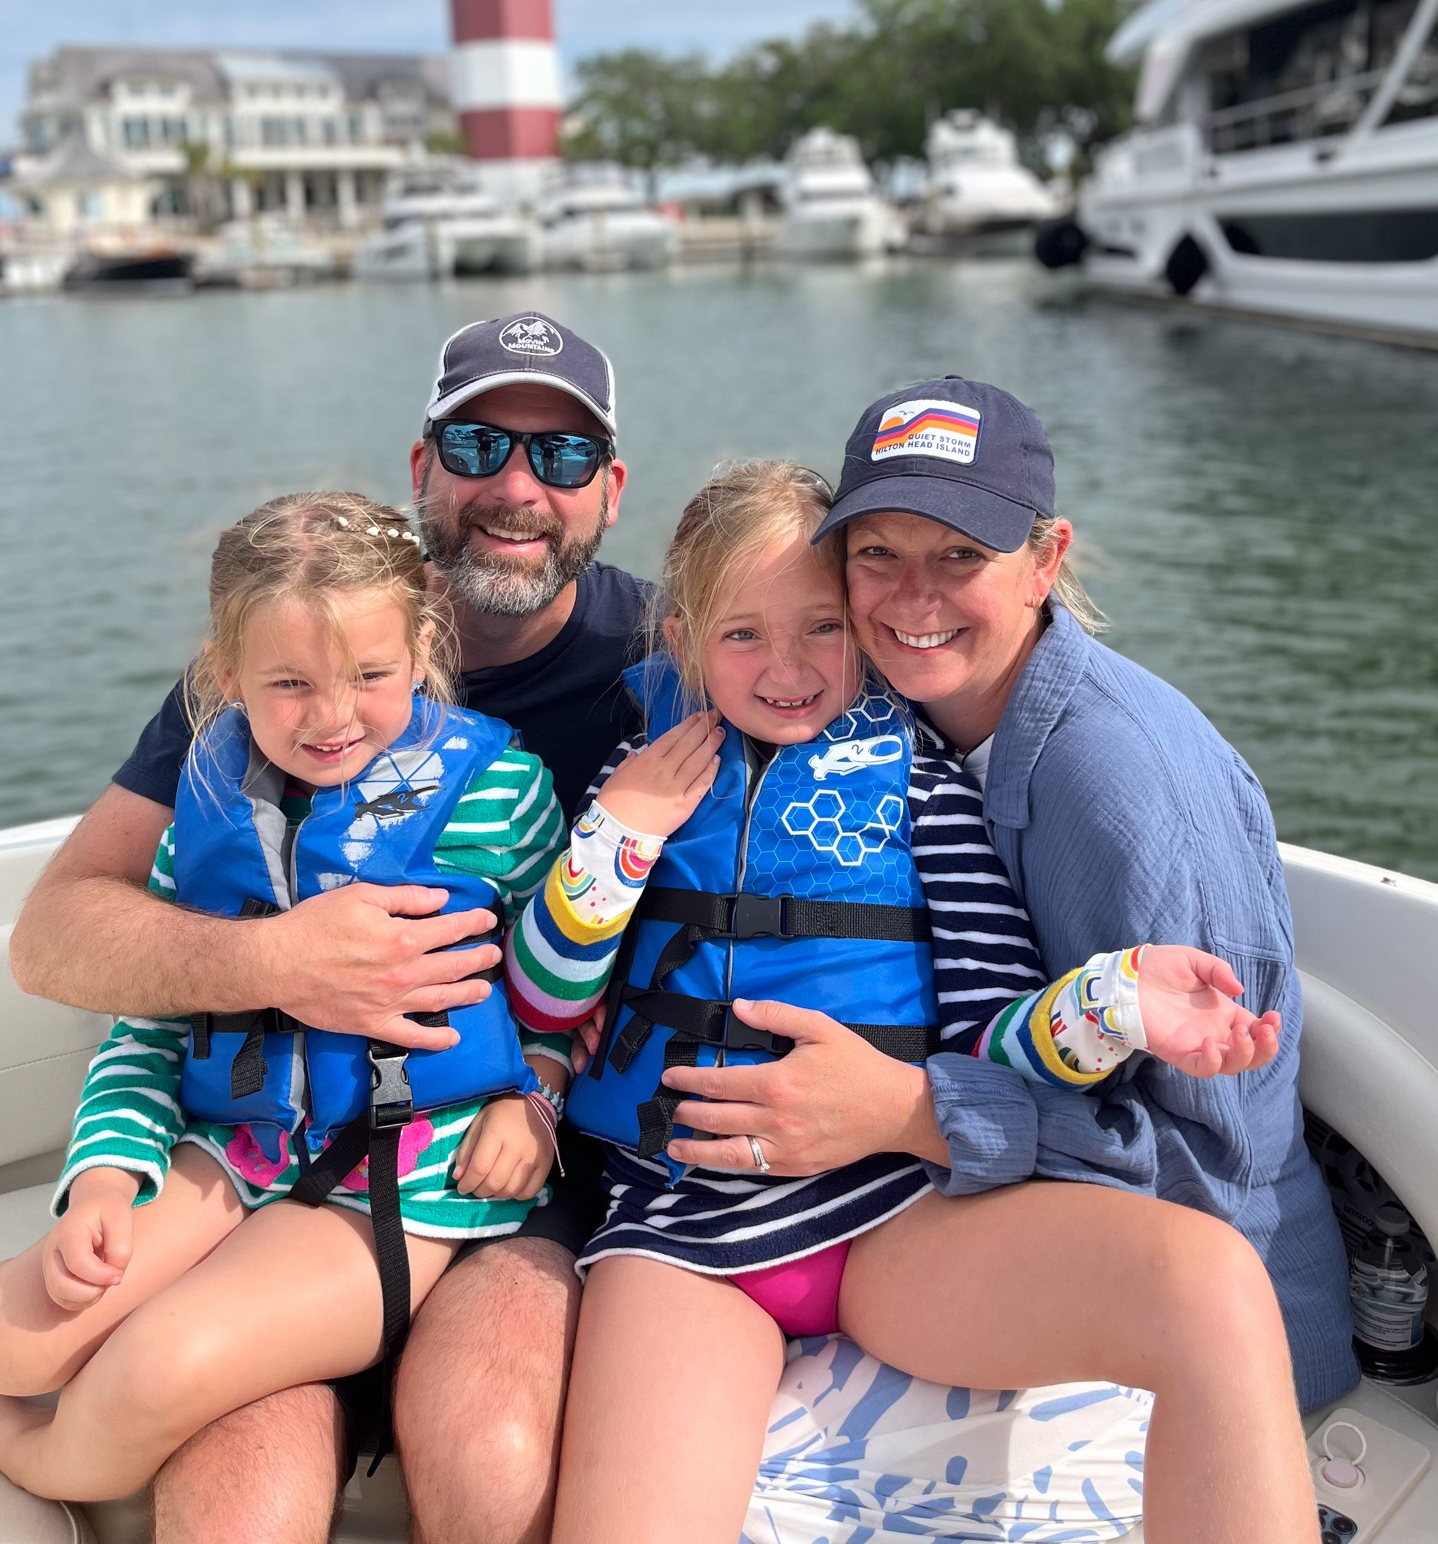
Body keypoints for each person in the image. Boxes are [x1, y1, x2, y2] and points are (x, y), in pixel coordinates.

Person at [523, 461, 1320, 1544]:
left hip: (894, 1224)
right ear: (680, 639)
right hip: (685, 1232)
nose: (789, 668)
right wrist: (620, 833)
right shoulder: (642, 779)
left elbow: (999, 1036)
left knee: (1212, 1283)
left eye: (820, 628)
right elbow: (547, 991)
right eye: (743, 635)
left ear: (860, 629)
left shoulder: (923, 790)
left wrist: (1114, 1002)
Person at [3, 314, 650, 1543]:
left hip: (509, 1170)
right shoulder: (279, 658)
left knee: (493, 1455)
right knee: (237, 1510)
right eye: (479, 444)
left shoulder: (671, 660)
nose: (518, 487)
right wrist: (274, 964)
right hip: (273, 1163)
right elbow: (52, 937)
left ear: (608, 492)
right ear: (422, 470)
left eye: (561, 458)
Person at [647, 379, 1359, 1424]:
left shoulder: (1117, 789)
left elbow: (1209, 1168)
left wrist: (906, 1110)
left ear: (1047, 562)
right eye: (878, 554)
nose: (910, 599)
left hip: (1216, 1352)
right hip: (973, 1231)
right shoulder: (899, 706)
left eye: (961, 557)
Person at [0, 490, 569, 1501]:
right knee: (4, 1338)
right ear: (224, 676)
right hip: (233, 1150)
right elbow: (150, 1026)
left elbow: (559, 984)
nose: (333, 716)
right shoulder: (207, 813)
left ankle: (24, 1448)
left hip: (405, 1178)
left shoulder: (503, 794)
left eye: (371, 676)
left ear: (422, 650)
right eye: (288, 683)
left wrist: (534, 1091)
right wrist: (105, 1180)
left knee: (149, 1372)